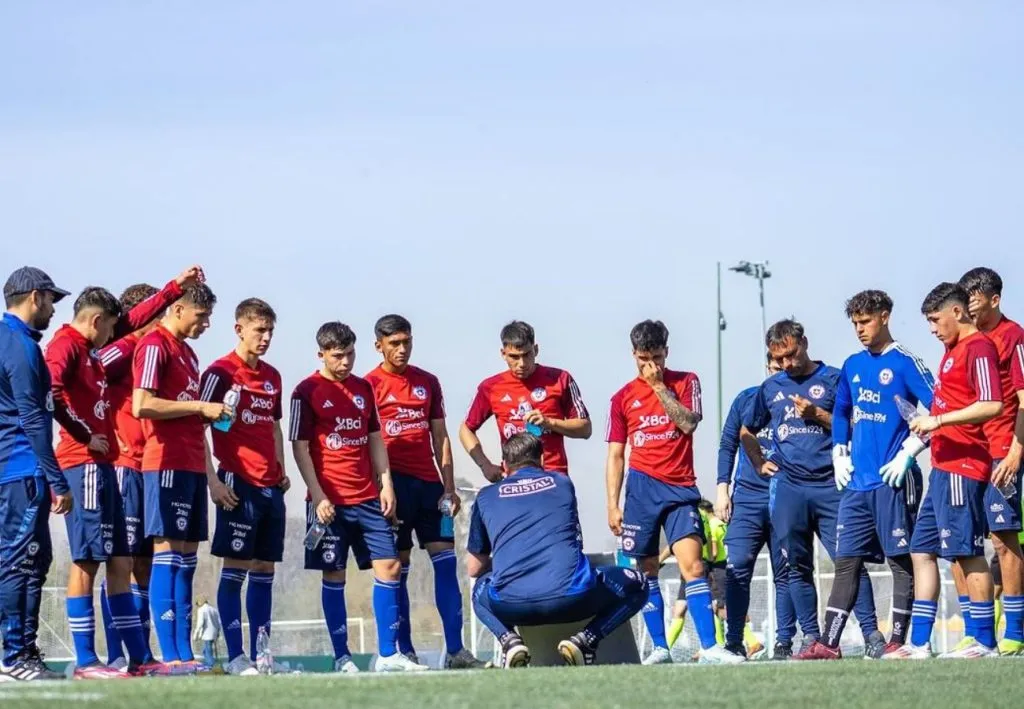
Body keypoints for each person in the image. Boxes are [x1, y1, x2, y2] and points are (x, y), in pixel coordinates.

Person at [46, 274, 193, 678]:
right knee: (87, 561)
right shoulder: (66, 345)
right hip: (83, 464)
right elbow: (50, 390)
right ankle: (86, 661)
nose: (117, 333)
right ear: (96, 323)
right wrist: (83, 434)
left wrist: (174, 288)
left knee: (120, 559)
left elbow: (133, 322)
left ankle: (139, 658)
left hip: (104, 466)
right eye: (111, 327)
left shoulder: (95, 349)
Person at [797, 290, 933, 660]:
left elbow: (940, 410)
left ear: (885, 316)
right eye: (855, 323)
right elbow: (841, 411)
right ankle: (828, 643)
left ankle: (899, 640)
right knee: (847, 560)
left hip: (892, 480)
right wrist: (839, 451)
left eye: (866, 321)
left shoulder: (905, 363)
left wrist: (909, 453)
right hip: (856, 484)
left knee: (900, 560)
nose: (859, 329)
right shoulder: (853, 364)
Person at [290, 321, 427, 673]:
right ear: (321, 354)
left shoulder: (363, 388)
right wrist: (318, 495)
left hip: (367, 498)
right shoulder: (305, 392)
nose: (346, 362)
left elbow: (375, 439)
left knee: (391, 566)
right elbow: (300, 448)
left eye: (350, 354)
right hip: (329, 504)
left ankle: (387, 654)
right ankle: (342, 657)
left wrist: (387, 484)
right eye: (338, 356)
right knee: (334, 575)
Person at [741, 319, 884, 659]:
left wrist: (818, 414)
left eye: (791, 354)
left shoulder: (835, 378)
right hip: (790, 488)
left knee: (849, 562)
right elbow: (746, 430)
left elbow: (858, 425)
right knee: (796, 567)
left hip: (833, 486)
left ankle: (871, 634)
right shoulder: (771, 387)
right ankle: (811, 637)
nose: (788, 363)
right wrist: (760, 462)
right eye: (780, 358)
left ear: (804, 342)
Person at [605, 320, 739, 664]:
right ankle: (660, 648)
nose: (650, 365)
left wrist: (660, 387)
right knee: (647, 568)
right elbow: (616, 455)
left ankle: (710, 647)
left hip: (680, 489)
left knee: (693, 566)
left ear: (667, 351)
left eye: (657, 357)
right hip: (640, 491)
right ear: (633, 354)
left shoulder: (686, 381)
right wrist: (612, 504)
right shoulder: (621, 398)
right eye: (643, 358)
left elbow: (688, 423)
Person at [886, 283, 1004, 659]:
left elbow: (992, 404)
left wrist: (938, 420)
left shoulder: (979, 348)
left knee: (966, 552)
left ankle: (984, 640)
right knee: (922, 550)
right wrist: (925, 426)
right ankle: (920, 643)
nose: (933, 329)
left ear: (957, 311)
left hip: (964, 466)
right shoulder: (950, 352)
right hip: (941, 465)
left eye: (936, 320)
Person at [468, 433, 648, 668]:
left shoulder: (485, 496)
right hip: (572, 599)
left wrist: (507, 560)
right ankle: (586, 640)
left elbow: (474, 567)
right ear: (542, 461)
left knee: (479, 590)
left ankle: (509, 641)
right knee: (640, 584)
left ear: (504, 465)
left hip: (511, 605)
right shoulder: (562, 483)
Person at [364, 315, 481, 669]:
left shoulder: (427, 382)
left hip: (430, 488)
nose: (401, 349)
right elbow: (367, 442)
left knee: (446, 564)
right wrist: (380, 488)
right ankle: (405, 650)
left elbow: (441, 437)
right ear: (379, 345)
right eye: (394, 343)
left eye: (406, 342)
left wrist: (449, 486)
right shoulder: (368, 384)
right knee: (396, 568)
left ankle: (457, 651)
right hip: (393, 488)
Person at [97, 281, 191, 668]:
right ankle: (118, 654)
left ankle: (143, 654)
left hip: (152, 465)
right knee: (123, 559)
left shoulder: (162, 352)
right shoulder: (125, 350)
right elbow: (94, 368)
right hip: (122, 465)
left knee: (147, 564)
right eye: (157, 311)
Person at [132, 282, 224, 671]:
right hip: (164, 463)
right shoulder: (155, 345)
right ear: (178, 310)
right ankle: (169, 655)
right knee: (166, 555)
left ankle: (187, 654)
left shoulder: (189, 353)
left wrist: (203, 415)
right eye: (201, 316)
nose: (206, 324)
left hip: (190, 464)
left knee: (188, 559)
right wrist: (198, 405)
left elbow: (191, 413)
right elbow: (142, 404)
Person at [201, 298, 289, 676]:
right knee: (234, 567)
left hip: (271, 485)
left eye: (270, 331)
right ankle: (236, 657)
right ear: (239, 329)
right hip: (237, 482)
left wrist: (281, 465)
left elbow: (272, 425)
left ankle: (262, 654)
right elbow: (196, 426)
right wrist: (213, 480)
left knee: (265, 568)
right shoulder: (219, 372)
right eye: (259, 330)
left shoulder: (273, 375)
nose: (266, 338)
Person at [0, 267, 72, 682]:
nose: (51, 308)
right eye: (50, 300)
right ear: (33, 297)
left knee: (33, 559)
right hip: (23, 469)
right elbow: (31, 417)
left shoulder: (13, 341)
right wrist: (56, 479)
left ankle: (21, 651)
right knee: (20, 563)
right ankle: (16, 656)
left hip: (15, 470)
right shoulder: (20, 346)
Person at [948, 267, 1024, 655]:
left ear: (994, 299)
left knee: (1003, 538)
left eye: (976, 300)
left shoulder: (1013, 337)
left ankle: (1016, 630)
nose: (970, 307)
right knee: (958, 541)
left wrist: (1015, 450)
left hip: (1001, 453)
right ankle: (978, 628)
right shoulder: (966, 341)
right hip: (967, 454)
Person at [715, 357, 796, 660]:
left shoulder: (799, 403)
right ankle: (734, 641)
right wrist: (723, 488)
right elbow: (727, 445)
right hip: (747, 499)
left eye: (785, 367)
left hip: (786, 497)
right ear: (767, 367)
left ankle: (784, 643)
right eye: (775, 367)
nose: (779, 373)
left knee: (786, 572)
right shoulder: (747, 398)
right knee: (737, 565)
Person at [459, 321, 591, 482]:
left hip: (554, 478)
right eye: (514, 357)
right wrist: (485, 465)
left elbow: (585, 429)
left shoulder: (560, 379)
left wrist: (549, 422)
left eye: (527, 355)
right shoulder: (490, 387)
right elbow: (466, 430)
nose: (521, 364)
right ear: (503, 354)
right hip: (513, 481)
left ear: (535, 350)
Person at [192, 598, 221, 669]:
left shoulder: (201, 610)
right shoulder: (214, 610)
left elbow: (200, 623)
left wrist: (196, 634)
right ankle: (211, 663)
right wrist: (218, 632)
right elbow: (218, 623)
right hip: (214, 632)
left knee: (208, 651)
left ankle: (211, 666)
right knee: (206, 650)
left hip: (207, 633)